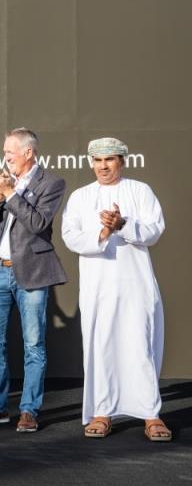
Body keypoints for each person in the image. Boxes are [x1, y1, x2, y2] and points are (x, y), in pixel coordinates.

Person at [61, 137, 171, 441]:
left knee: (140, 346)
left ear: (122, 161)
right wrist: (104, 231)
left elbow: (153, 231)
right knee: (101, 346)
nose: (103, 166)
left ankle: (151, 414)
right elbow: (70, 237)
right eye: (97, 160)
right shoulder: (81, 196)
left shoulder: (140, 191)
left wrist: (123, 224)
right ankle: (102, 412)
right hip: (98, 286)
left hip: (136, 283)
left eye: (109, 160)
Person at [0, 128, 67, 433]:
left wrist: (11, 194)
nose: (6, 157)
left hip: (33, 272)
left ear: (28, 153)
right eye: (4, 151)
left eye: (10, 152)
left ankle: (29, 410)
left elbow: (38, 223)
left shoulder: (51, 183)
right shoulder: (2, 180)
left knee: (34, 345)